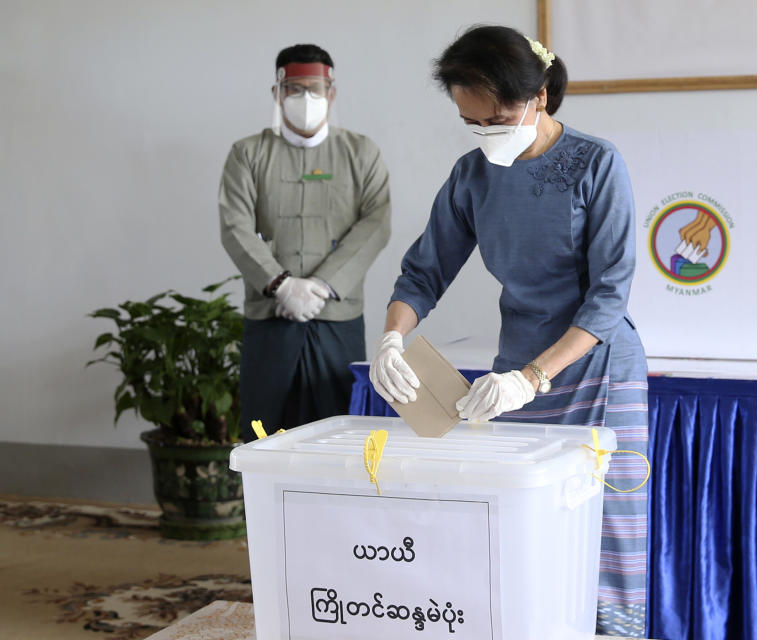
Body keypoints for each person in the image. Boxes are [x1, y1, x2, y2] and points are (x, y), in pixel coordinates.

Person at [368, 25, 649, 637]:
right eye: (472, 122)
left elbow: (609, 296)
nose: (485, 134)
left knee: (607, 534)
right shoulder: (474, 175)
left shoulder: (596, 165)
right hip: (516, 368)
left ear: (539, 96)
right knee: (527, 525)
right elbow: (423, 272)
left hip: (595, 368)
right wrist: (391, 337)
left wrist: (533, 377)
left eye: (496, 119)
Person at [220, 44, 390, 442]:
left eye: (314, 89)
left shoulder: (360, 152)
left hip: (337, 315)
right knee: (265, 433)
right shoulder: (248, 154)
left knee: (340, 433)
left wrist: (322, 285)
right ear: (277, 93)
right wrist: (281, 284)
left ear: (332, 93)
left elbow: (376, 224)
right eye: (294, 89)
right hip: (271, 313)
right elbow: (235, 226)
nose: (305, 99)